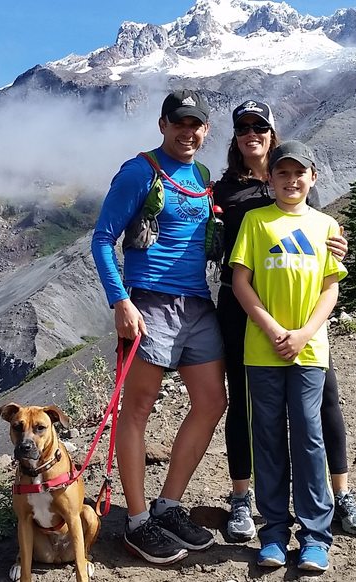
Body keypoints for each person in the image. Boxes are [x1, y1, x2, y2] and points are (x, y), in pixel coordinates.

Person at [215, 100, 356, 542]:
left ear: (272, 131)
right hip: (241, 306)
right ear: (235, 135)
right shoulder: (223, 190)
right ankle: (242, 499)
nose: (252, 132)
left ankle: (340, 494)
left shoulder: (296, 176)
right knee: (246, 404)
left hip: (303, 314)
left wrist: (343, 252)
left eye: (259, 126)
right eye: (243, 126)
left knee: (325, 401)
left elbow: (324, 239)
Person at [90, 90, 227, 565]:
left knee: (212, 402)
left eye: (196, 125)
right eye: (179, 123)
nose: (188, 132)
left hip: (196, 304)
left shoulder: (202, 176)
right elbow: (103, 238)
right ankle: (137, 520)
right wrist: (121, 301)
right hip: (149, 302)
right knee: (138, 408)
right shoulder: (139, 172)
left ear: (205, 130)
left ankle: (168, 506)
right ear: (163, 125)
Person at [229, 140, 345, 572]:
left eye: (299, 173)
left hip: (310, 350)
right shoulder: (257, 223)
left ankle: (316, 535)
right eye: (282, 173)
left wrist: (304, 333)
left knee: (309, 436)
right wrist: (276, 330)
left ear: (312, 178)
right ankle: (274, 533)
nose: (291, 180)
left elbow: (330, 288)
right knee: (269, 439)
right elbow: (242, 282)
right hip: (262, 348)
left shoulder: (327, 226)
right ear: (270, 179)